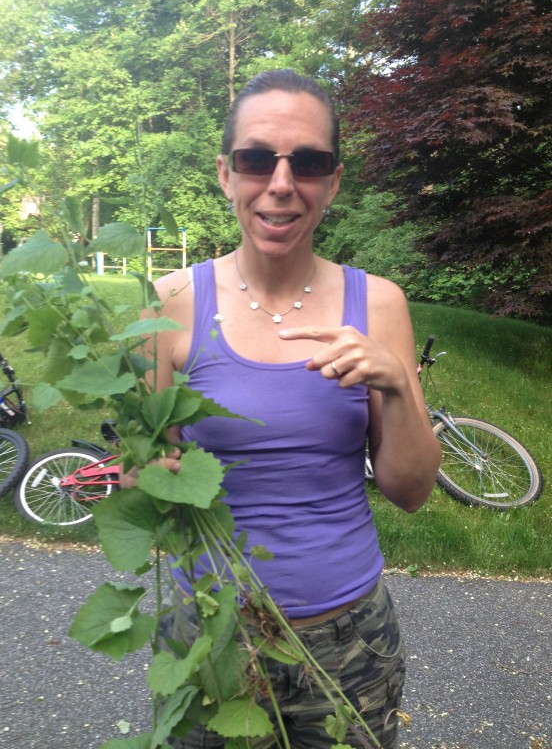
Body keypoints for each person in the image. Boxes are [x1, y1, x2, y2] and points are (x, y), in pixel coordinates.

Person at [122, 68, 441, 748]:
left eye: (310, 162)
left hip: (347, 641)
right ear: (226, 173)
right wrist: (145, 474)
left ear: (334, 180)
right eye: (257, 158)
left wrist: (395, 385)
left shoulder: (378, 305)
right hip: (211, 633)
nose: (281, 183)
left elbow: (410, 492)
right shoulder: (168, 301)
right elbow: (143, 477)